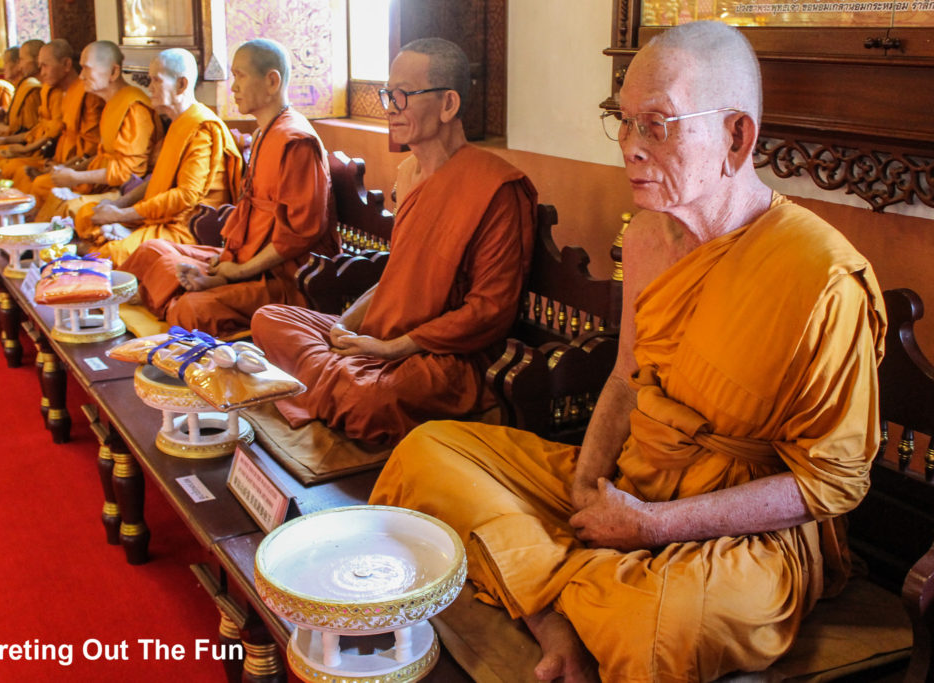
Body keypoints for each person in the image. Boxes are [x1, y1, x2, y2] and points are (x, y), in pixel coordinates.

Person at [369, 21, 887, 682]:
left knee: (655, 624)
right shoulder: (645, 237)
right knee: (426, 454)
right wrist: (589, 481)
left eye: (657, 124)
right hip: (634, 478)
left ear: (736, 135)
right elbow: (622, 377)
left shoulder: (823, 275)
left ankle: (541, 585)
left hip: (746, 529)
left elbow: (830, 483)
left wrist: (650, 526)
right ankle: (559, 617)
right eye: (623, 121)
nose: (630, 148)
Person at [250, 38, 537, 444]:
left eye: (403, 95)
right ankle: (334, 377)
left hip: (442, 358)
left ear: (448, 104)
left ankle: (324, 384)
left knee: (367, 398)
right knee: (270, 320)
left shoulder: (497, 188)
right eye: (389, 95)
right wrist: (344, 331)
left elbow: (488, 311)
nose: (390, 107)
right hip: (384, 334)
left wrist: (393, 349)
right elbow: (397, 279)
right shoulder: (407, 174)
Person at [122, 39, 337, 337]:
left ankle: (172, 303)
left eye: (240, 76)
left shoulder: (296, 142)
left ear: (272, 81)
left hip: (286, 278)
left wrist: (236, 273)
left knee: (191, 309)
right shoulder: (265, 133)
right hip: (245, 260)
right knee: (150, 251)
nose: (232, 87)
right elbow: (250, 217)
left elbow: (298, 237)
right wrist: (223, 263)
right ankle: (170, 299)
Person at [77, 48, 243, 266]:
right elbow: (158, 179)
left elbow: (185, 196)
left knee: (109, 254)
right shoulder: (178, 122)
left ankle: (122, 238)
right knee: (85, 216)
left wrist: (122, 215)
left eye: (156, 80)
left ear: (181, 85)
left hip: (186, 227)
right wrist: (119, 205)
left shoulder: (201, 128)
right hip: (161, 216)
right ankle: (122, 232)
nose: (149, 87)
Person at [30, 41, 161, 222]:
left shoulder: (134, 108)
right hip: (100, 181)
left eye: (86, 69)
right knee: (44, 186)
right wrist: (72, 170)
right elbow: (104, 155)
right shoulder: (113, 102)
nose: (81, 76)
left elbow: (128, 172)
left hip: (123, 192)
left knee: (66, 206)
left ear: (113, 72)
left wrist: (76, 177)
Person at [0, 40, 78, 180]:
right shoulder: (45, 89)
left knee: (13, 168)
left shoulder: (55, 91)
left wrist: (25, 149)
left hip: (56, 155)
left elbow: (55, 130)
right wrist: (6, 139)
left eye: (22, 59)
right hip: (45, 152)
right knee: (3, 159)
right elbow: (38, 128)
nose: (20, 65)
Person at [0, 40, 43, 147]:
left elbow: (34, 130)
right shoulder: (21, 87)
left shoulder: (32, 89)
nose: (4, 67)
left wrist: (4, 133)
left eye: (6, 63)